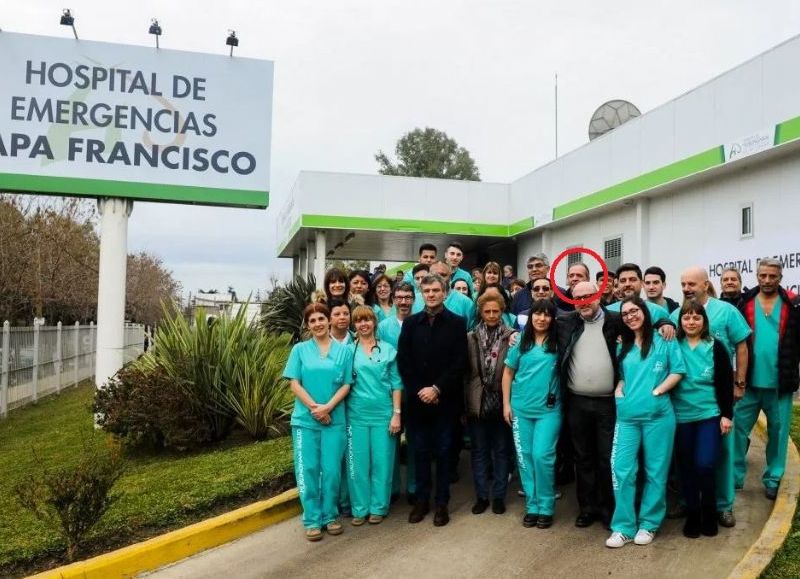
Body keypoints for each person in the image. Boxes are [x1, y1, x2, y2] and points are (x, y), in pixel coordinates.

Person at [671, 266, 750, 527]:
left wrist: (739, 384)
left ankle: (723, 506)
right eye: (683, 283)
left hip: (716, 400)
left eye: (692, 283)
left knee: (720, 455)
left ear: (706, 285)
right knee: (686, 458)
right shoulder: (675, 315)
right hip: (684, 408)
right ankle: (688, 503)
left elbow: (741, 345)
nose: (686, 288)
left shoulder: (726, 311)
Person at [606, 296, 685, 548]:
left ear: (644, 311)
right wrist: (619, 390)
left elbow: (678, 370)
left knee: (655, 471)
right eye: (625, 313)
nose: (630, 316)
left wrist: (658, 391)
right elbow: (621, 376)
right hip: (627, 417)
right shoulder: (623, 344)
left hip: (658, 417)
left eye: (634, 311)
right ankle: (623, 527)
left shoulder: (664, 338)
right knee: (621, 469)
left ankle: (649, 524)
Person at [397, 273, 468, 527]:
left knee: (445, 454)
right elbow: (404, 362)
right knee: (421, 453)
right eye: (426, 291)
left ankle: (441, 504)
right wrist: (421, 390)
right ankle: (421, 502)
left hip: (445, 402)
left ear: (445, 292)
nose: (431, 295)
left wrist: (436, 389)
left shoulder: (457, 323)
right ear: (421, 294)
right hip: (418, 403)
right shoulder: (411, 323)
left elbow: (459, 363)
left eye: (436, 290)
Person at [284, 303, 353, 541]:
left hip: (334, 419)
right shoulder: (300, 350)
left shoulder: (345, 352)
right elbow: (294, 383)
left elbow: (346, 384)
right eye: (312, 320)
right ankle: (312, 519)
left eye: (321, 318)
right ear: (308, 325)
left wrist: (328, 407)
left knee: (332, 470)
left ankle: (330, 516)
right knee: (308, 469)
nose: (318, 324)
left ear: (329, 320)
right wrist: (315, 408)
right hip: (306, 420)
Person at [557, 281, 624, 529]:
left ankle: (608, 510)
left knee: (607, 458)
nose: (583, 301)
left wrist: (666, 324)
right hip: (577, 402)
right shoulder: (565, 322)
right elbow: (535, 323)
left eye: (588, 295)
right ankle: (587, 508)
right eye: (578, 297)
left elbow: (644, 322)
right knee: (582, 457)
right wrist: (513, 336)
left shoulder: (617, 319)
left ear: (598, 294)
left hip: (608, 403)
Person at [734, 259, 800, 501]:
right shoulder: (745, 302)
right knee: (737, 431)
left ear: (780, 277)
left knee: (779, 432)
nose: (767, 280)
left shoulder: (793, 304)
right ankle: (734, 477)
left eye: (772, 276)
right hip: (749, 383)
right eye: (763, 275)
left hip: (780, 384)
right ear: (757, 276)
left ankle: (773, 478)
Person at [674, 300, 733, 538]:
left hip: (709, 413)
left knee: (705, 464)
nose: (691, 322)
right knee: (686, 467)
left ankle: (709, 510)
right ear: (680, 321)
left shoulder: (715, 346)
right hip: (680, 415)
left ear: (704, 321)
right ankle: (693, 513)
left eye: (696, 317)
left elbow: (725, 383)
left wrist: (727, 414)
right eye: (686, 317)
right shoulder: (673, 345)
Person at [502, 298, 561, 529]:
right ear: (531, 316)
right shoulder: (520, 342)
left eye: (547, 314)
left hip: (549, 411)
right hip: (520, 410)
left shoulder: (559, 341)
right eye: (538, 314)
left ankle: (546, 506)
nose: (542, 318)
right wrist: (507, 405)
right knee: (525, 459)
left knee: (542, 456)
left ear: (553, 318)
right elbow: (507, 374)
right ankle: (532, 505)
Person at [345, 306, 403, 526]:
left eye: (367, 319)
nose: (363, 324)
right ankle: (359, 509)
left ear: (374, 322)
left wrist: (396, 414)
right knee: (358, 465)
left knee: (382, 463)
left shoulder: (387, 349)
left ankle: (378, 507)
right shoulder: (348, 352)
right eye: (359, 321)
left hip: (383, 415)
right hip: (356, 415)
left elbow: (397, 384)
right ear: (354, 325)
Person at [466, 291, 516, 516]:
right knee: (479, 451)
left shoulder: (512, 336)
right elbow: (466, 373)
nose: (492, 315)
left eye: (496, 311)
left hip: (502, 399)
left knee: (502, 450)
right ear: (481, 312)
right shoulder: (471, 337)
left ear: (502, 311)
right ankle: (481, 496)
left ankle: (498, 496)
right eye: (487, 311)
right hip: (477, 401)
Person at [378, 282, 418, 502]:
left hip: (413, 393)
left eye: (408, 297)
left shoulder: (421, 321)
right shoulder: (383, 327)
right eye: (399, 297)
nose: (404, 301)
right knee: (390, 441)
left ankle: (413, 486)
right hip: (389, 392)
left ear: (413, 299)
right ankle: (392, 487)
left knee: (414, 441)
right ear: (393, 300)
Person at [606, 263, 674, 339]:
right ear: (618, 284)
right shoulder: (606, 311)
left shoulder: (658, 312)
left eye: (632, 280)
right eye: (623, 281)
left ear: (642, 283)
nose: (627, 284)